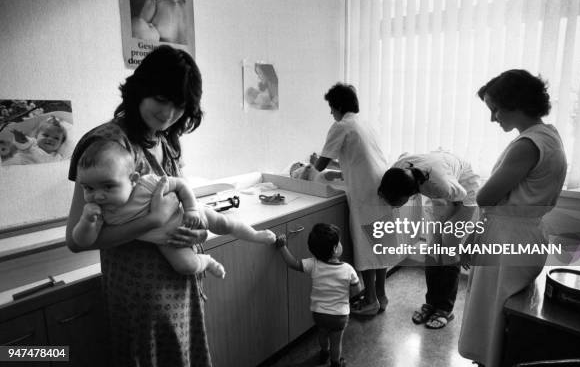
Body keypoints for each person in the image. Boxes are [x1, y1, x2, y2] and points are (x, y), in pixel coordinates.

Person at [65, 45, 275, 366]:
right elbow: (76, 241)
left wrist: (194, 232)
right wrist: (151, 222)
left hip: (181, 285)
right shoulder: (107, 145)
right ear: (140, 89)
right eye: (161, 99)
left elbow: (176, 200)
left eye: (179, 106)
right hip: (140, 294)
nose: (168, 114)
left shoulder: (163, 138)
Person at [458, 69, 567, 367]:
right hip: (522, 233)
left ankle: (489, 360)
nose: (493, 118)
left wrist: (476, 235)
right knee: (498, 309)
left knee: (492, 313)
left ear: (515, 103)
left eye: (495, 109)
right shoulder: (549, 136)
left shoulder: (527, 145)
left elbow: (485, 197)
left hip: (509, 240)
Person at [72, 139, 271, 277]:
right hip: (167, 241)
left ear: (132, 180)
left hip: (189, 214)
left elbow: (181, 185)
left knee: (224, 223)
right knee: (187, 266)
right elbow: (82, 241)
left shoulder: (147, 184)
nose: (97, 195)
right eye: (88, 188)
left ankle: (254, 235)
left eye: (108, 186)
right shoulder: (99, 211)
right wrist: (86, 222)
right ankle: (208, 261)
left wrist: (192, 209)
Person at [312, 83, 402, 316]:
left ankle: (370, 301)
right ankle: (381, 296)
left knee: (367, 250)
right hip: (383, 190)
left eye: (331, 107)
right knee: (380, 248)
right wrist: (340, 169)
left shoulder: (341, 125)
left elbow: (320, 164)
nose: (331, 112)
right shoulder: (364, 123)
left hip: (365, 194)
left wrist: (311, 163)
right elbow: (356, 157)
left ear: (339, 106)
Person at [378, 151, 479, 329]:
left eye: (395, 202)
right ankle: (431, 303)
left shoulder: (440, 186)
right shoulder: (397, 170)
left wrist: (448, 232)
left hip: (463, 194)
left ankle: (445, 309)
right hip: (441, 183)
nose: (393, 206)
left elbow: (461, 197)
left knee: (448, 252)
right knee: (432, 251)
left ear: (410, 193)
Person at [275, 224, 360, 367]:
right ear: (334, 249)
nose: (340, 244)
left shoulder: (313, 264)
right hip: (339, 315)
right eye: (338, 242)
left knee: (322, 334)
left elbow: (292, 263)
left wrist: (282, 246)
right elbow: (356, 290)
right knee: (336, 342)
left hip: (319, 313)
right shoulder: (348, 269)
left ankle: (324, 352)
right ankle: (335, 362)